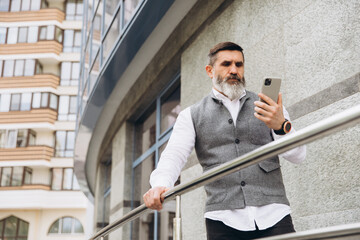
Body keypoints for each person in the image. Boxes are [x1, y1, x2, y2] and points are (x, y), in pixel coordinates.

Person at [143, 42, 306, 240]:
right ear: (210, 70)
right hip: (222, 220)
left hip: (274, 214)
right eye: (226, 64)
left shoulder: (268, 106)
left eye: (239, 64)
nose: (234, 70)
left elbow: (299, 155)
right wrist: (160, 184)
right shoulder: (191, 115)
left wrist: (281, 126)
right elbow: (173, 155)